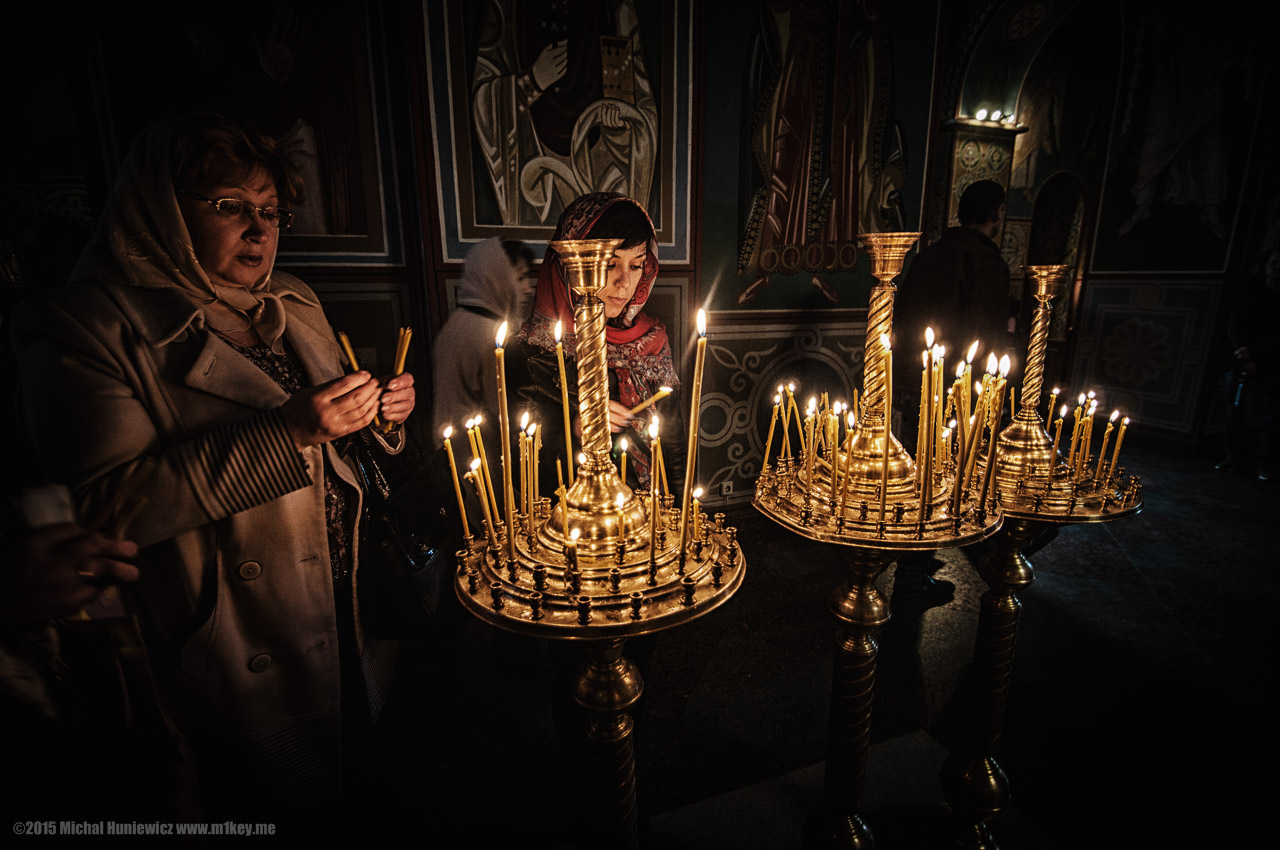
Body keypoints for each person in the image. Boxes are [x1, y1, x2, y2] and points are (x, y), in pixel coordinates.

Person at [9, 114, 416, 821]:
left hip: (341, 606)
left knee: (361, 780)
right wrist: (288, 432)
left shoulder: (291, 300)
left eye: (270, 211)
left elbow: (336, 439)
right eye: (228, 206)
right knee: (270, 800)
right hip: (231, 638)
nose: (260, 231)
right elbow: (104, 510)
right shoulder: (83, 326)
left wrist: (380, 417)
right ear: (162, 209)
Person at [512, 191, 684, 498]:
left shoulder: (651, 341)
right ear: (570, 264)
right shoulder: (532, 354)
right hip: (576, 528)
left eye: (636, 265)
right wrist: (578, 430)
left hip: (653, 520)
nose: (624, 282)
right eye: (610, 263)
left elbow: (674, 448)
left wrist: (682, 517)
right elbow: (521, 470)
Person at [432, 237, 537, 437]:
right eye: (521, 278)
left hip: (450, 445)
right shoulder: (491, 334)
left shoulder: (457, 321)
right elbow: (503, 411)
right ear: (497, 278)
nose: (528, 288)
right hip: (481, 452)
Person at [1218, 248, 1279, 480]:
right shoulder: (1250, 291)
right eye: (1275, 263)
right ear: (1265, 265)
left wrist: (1256, 353)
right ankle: (1233, 458)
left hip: (1272, 362)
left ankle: (1265, 464)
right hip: (1241, 358)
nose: (1278, 268)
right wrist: (1243, 353)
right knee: (1234, 412)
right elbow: (1235, 322)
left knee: (1271, 414)